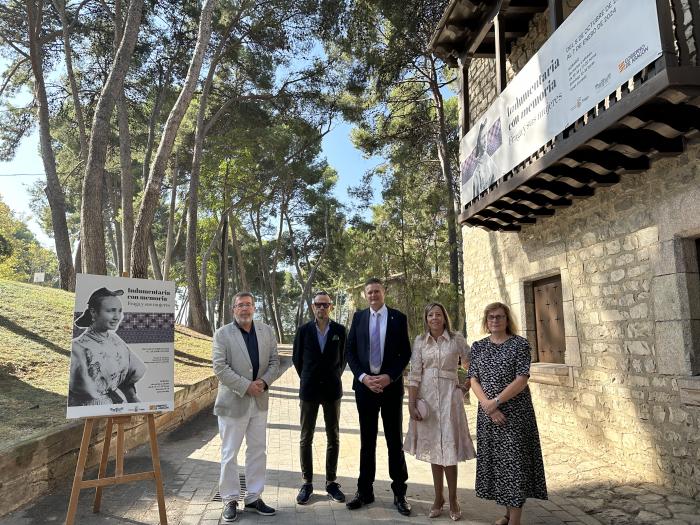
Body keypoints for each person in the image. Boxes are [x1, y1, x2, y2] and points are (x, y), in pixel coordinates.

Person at [468, 302, 547, 525]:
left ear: (507, 319)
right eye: (491, 317)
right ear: (486, 321)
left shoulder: (519, 344)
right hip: (488, 415)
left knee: (514, 465)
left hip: (515, 415)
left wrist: (497, 402)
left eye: (500, 317)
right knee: (498, 465)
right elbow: (473, 378)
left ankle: (515, 520)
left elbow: (522, 378)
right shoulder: (478, 347)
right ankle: (506, 513)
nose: (495, 320)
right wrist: (487, 405)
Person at [345, 278, 412, 516]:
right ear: (365, 295)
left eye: (377, 291)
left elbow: (406, 352)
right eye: (369, 292)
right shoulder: (359, 318)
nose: (373, 295)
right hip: (365, 389)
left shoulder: (398, 318)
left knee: (395, 441)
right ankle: (365, 491)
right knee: (367, 442)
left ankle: (399, 493)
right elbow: (350, 351)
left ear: (384, 292)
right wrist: (363, 377)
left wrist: (389, 377)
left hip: (390, 388)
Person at [212, 291, 280, 522]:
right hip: (234, 402)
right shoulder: (223, 334)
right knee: (230, 453)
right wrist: (246, 386)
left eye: (248, 305)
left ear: (254, 308)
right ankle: (230, 499)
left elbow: (274, 362)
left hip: (259, 401)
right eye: (240, 305)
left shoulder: (266, 331)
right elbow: (220, 368)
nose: (245, 309)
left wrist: (263, 382)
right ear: (233, 309)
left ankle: (253, 497)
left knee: (258, 451)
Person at [404, 302, 476, 520]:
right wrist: (411, 403)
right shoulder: (419, 342)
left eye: (438, 314)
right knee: (435, 448)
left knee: (449, 450)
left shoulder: (456, 339)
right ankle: (438, 498)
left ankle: (453, 499)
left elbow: (472, 363)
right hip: (427, 401)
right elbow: (415, 374)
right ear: (426, 319)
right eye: (430, 315)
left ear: (444, 317)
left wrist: (465, 387)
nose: (434, 318)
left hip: (450, 400)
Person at [292, 291, 347, 505]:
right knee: (306, 437)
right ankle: (307, 483)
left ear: (331, 307)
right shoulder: (303, 331)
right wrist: (309, 378)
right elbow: (297, 360)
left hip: (332, 391)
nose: (322, 308)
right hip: (309, 391)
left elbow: (342, 360)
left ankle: (331, 482)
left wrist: (332, 376)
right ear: (313, 307)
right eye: (318, 305)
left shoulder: (340, 331)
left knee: (333, 437)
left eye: (325, 305)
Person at [69, 287, 146, 406]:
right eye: (111, 311)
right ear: (93, 312)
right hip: (90, 409)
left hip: (118, 404)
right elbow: (82, 388)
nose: (117, 317)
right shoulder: (77, 347)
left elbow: (135, 370)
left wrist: (132, 396)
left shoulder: (115, 339)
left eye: (119, 311)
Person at [470, 119, 500, 200]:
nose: (485, 141)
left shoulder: (491, 163)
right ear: (478, 142)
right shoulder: (476, 174)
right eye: (483, 138)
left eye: (486, 137)